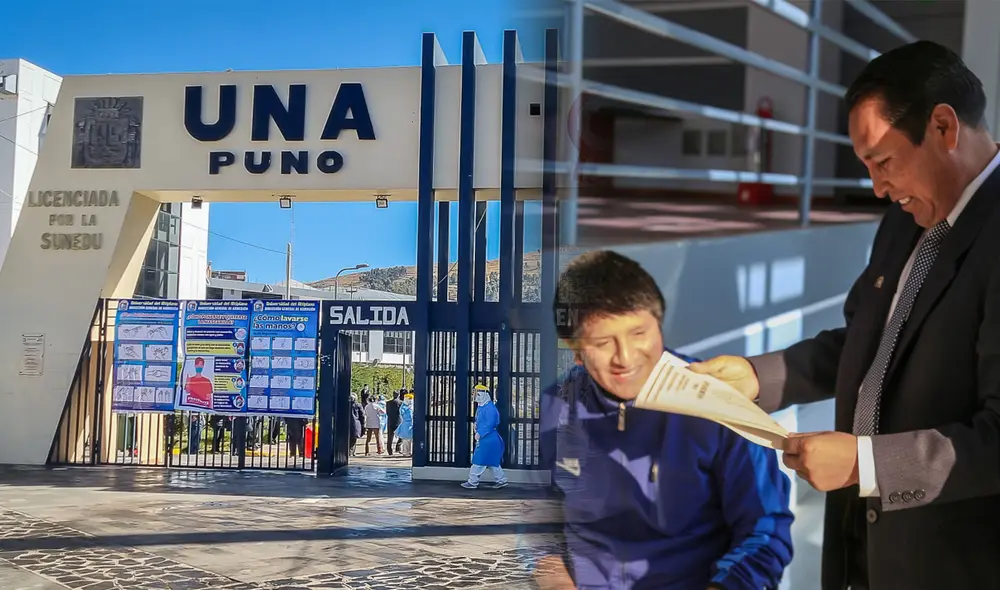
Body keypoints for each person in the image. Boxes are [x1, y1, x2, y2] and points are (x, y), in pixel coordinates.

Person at [690, 41, 1000, 590]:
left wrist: (865, 465)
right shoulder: (904, 222)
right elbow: (864, 346)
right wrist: (761, 375)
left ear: (944, 128)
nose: (878, 188)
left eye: (883, 162)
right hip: (866, 550)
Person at [537, 250, 793, 590]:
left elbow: (766, 531)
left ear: (659, 324)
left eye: (639, 333)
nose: (625, 358)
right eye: (603, 342)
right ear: (575, 349)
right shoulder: (552, 407)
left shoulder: (720, 405)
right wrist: (553, 576)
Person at [461, 384, 508, 489]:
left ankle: (472, 481)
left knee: (479, 460)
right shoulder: (482, 407)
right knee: (492, 462)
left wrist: (480, 433)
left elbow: (490, 424)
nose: (475, 396)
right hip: (488, 439)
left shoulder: (490, 408)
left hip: (488, 439)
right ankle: (501, 480)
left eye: (477, 394)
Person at [385, 390, 403, 456]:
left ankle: (389, 451)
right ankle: (398, 447)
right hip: (398, 421)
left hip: (390, 421)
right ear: (398, 395)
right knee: (401, 436)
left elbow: (387, 412)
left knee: (390, 437)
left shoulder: (388, 403)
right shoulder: (401, 402)